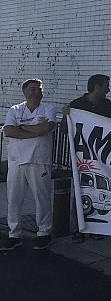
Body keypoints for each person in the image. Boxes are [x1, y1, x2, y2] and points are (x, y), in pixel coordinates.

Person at [1, 79, 58, 251]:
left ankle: (44, 232)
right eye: (32, 89)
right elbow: (9, 131)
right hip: (16, 161)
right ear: (24, 92)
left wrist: (21, 127)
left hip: (39, 160)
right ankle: (14, 234)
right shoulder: (15, 109)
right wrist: (35, 130)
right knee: (14, 198)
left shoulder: (48, 109)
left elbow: (46, 128)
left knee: (42, 197)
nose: (36, 92)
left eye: (39, 89)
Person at [63, 74, 111, 243]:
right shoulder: (76, 105)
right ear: (97, 87)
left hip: (99, 155)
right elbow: (65, 130)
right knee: (80, 191)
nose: (108, 89)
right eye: (106, 86)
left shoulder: (106, 104)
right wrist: (65, 116)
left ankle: (95, 227)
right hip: (81, 156)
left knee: (97, 192)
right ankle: (78, 228)